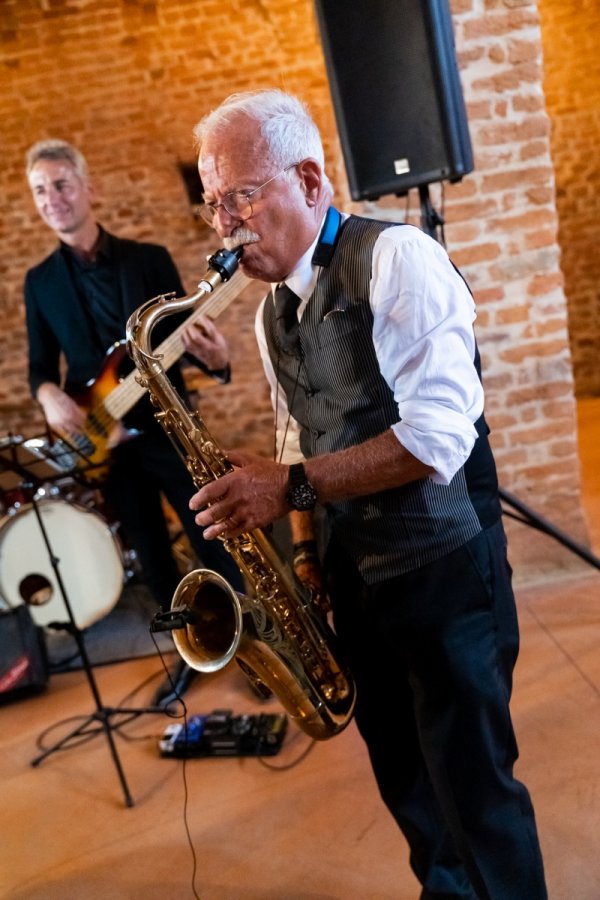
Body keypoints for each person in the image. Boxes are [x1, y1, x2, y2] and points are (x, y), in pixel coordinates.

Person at [187, 90, 548, 899]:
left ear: (310, 180)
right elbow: (297, 437)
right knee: (408, 786)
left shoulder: (399, 261)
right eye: (213, 204)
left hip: (445, 571)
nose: (226, 225)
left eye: (242, 195)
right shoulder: (269, 315)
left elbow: (436, 437)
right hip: (358, 577)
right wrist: (309, 564)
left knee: (476, 792)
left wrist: (289, 489)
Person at [24, 138, 244, 705]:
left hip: (170, 433)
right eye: (41, 191)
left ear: (88, 189)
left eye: (62, 184)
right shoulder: (39, 283)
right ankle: (193, 649)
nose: (53, 198)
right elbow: (39, 368)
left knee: (214, 542)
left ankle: (252, 650)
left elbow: (188, 343)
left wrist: (217, 360)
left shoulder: (148, 260)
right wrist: (48, 395)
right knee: (152, 560)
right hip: (108, 446)